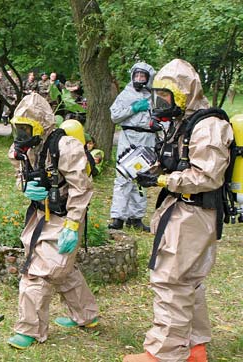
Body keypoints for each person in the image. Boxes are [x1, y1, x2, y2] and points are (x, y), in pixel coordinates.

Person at [123, 59, 233, 362]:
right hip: (181, 208)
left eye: (167, 95)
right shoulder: (184, 122)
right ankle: (195, 348)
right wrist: (152, 169)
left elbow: (207, 176)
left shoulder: (209, 125)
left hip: (194, 211)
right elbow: (179, 161)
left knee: (171, 280)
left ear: (184, 93)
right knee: (189, 281)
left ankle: (164, 354)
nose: (162, 101)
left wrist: (162, 179)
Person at [6, 93, 99, 350]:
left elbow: (82, 189)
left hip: (64, 215)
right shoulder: (22, 149)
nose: (21, 134)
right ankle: (87, 315)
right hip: (40, 213)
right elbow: (19, 174)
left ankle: (29, 330)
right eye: (18, 128)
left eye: (26, 128)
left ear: (40, 125)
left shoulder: (66, 147)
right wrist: (25, 188)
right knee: (63, 270)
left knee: (38, 272)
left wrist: (72, 225)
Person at [108, 62, 156, 232]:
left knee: (142, 178)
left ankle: (136, 217)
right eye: (137, 75)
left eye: (143, 76)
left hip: (147, 139)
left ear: (148, 78)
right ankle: (118, 217)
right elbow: (115, 116)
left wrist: (157, 126)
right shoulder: (125, 95)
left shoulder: (154, 97)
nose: (139, 79)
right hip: (128, 138)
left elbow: (163, 117)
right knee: (123, 177)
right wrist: (133, 108)